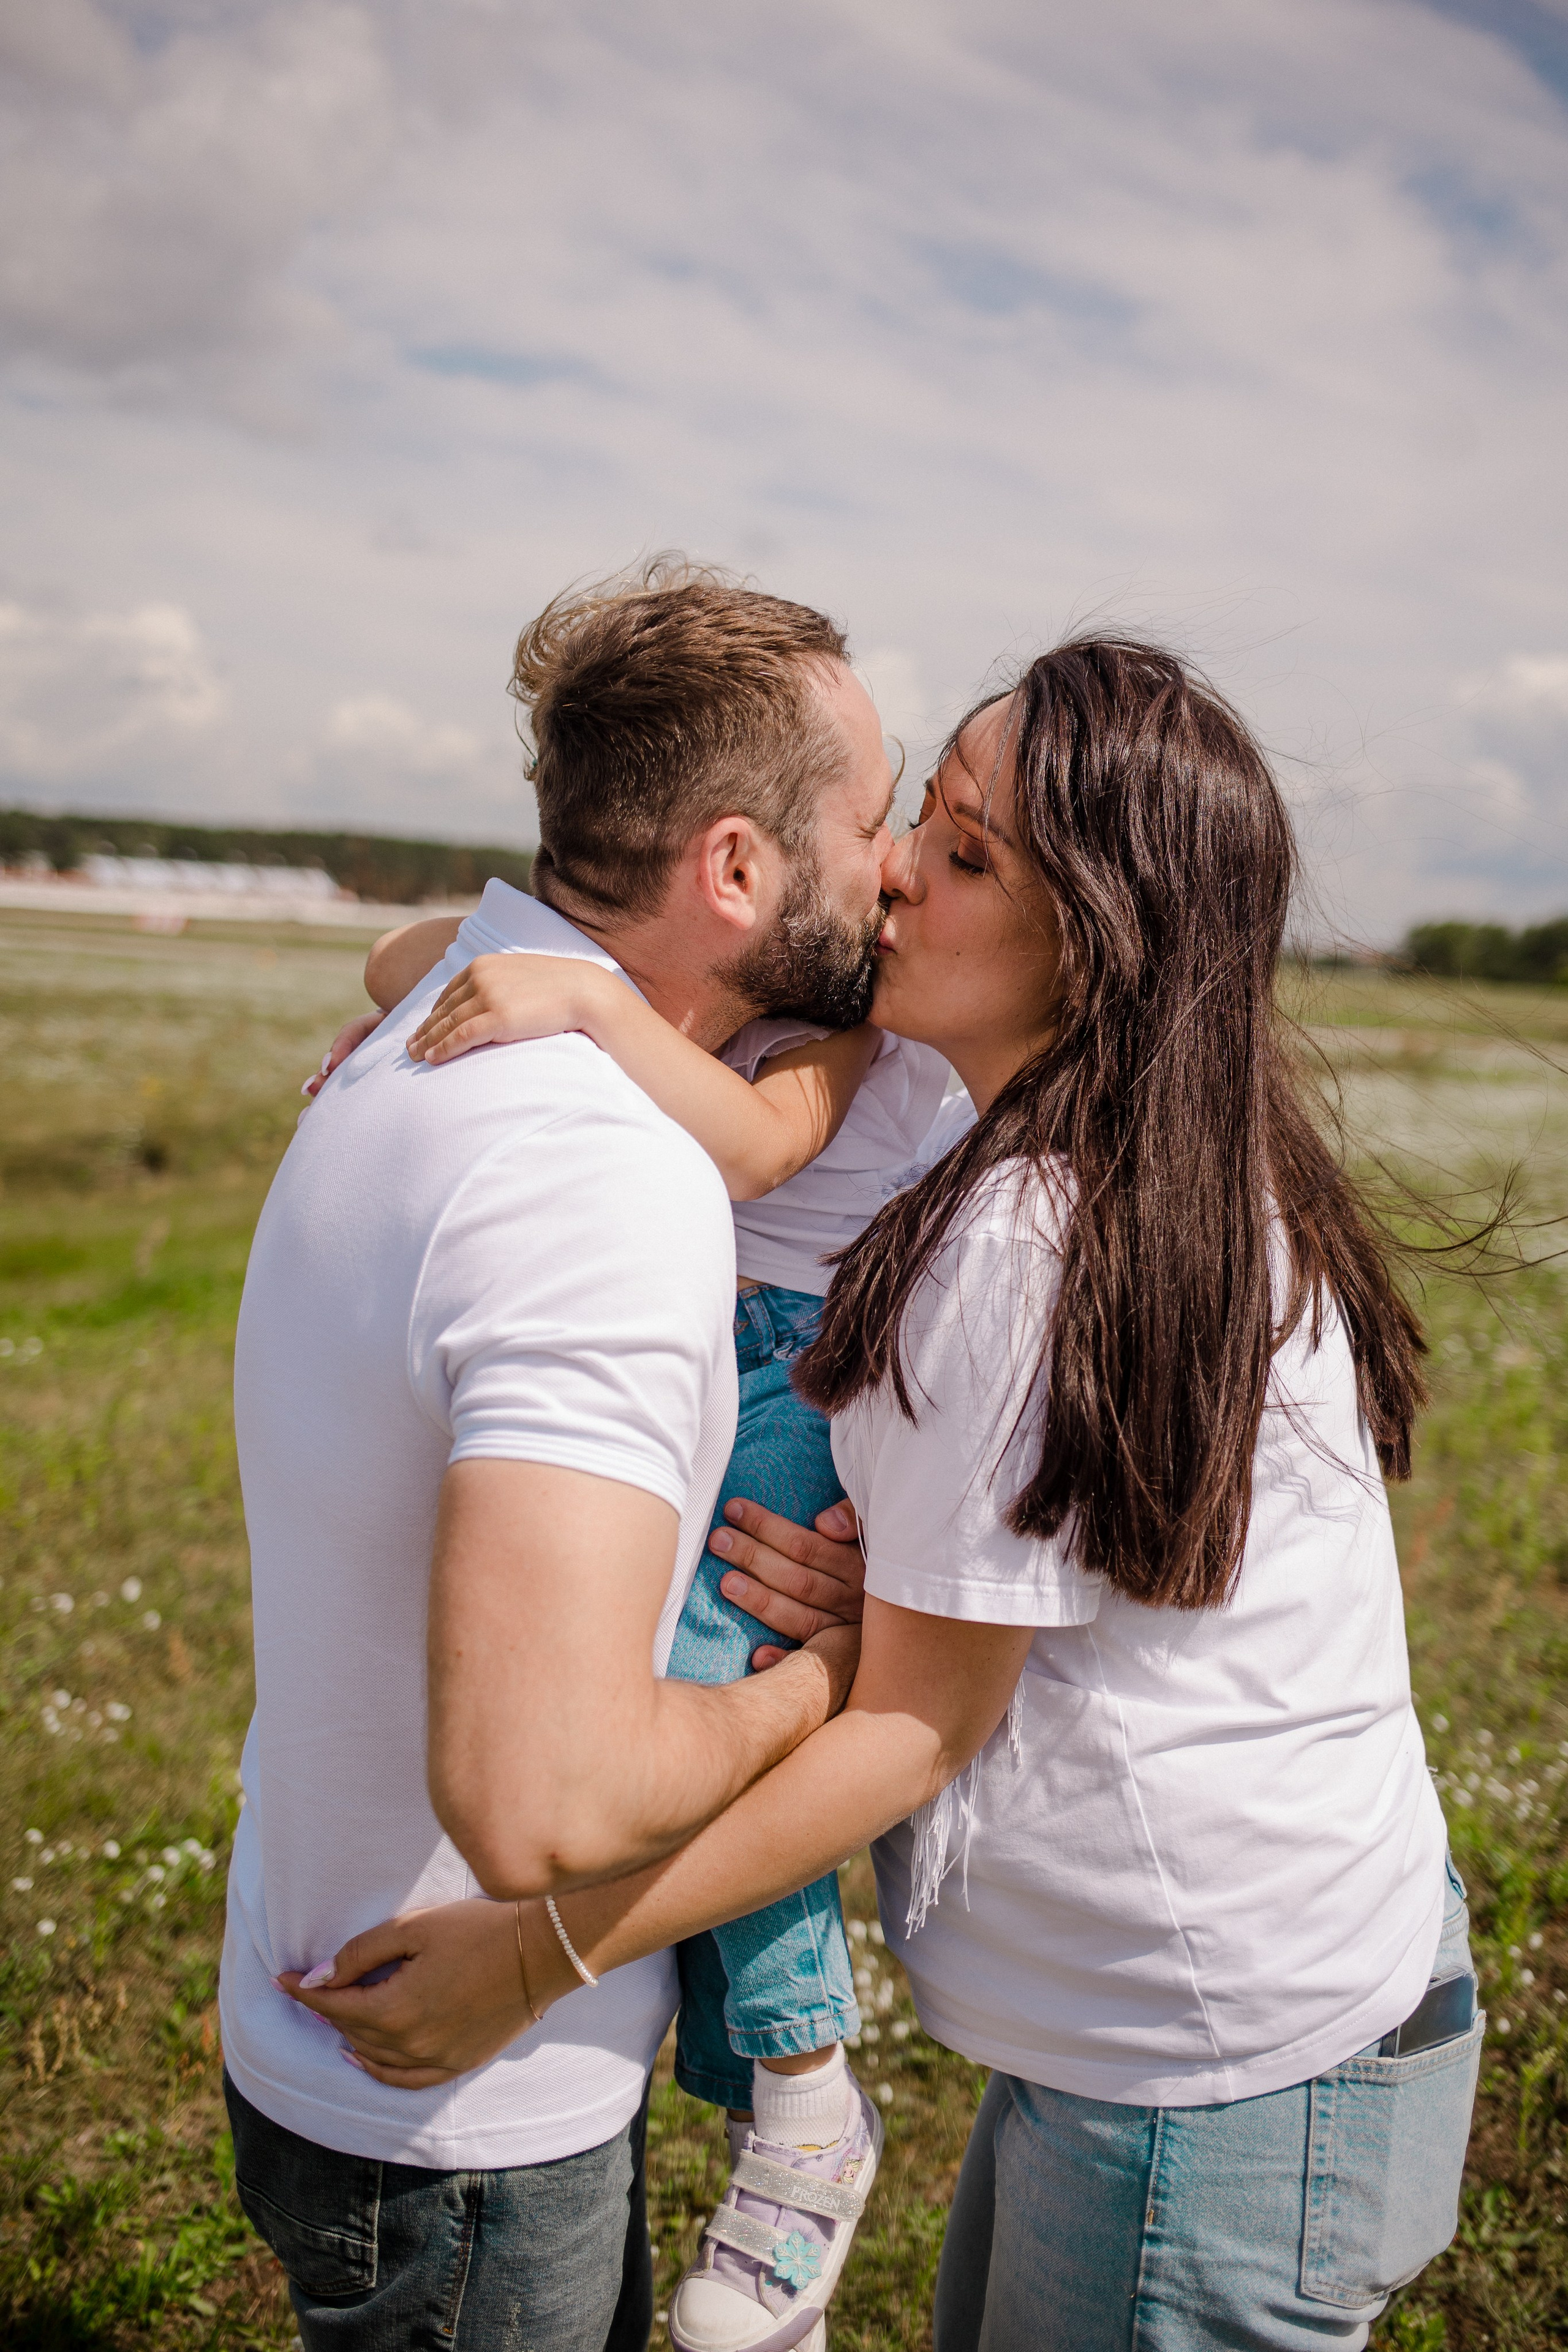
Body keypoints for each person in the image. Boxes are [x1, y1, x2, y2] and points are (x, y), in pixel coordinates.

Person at [287, 638, 1483, 2352]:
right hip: (1230, 2025)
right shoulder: (1152, 1166)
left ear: (1102, 942)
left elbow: (919, 1727)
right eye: (927, 809)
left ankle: (798, 2110)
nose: (901, 863)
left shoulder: (1027, 1238)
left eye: (972, 852)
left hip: (1214, 2078)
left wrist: (535, 1950)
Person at [219, 559, 906, 2352]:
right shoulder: (596, 1170)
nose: (894, 865)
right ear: (739, 867)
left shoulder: (448, 1030)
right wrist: (822, 1686)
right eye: (870, 816)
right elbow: (538, 1805)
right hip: (460, 2111)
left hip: (324, 1996)